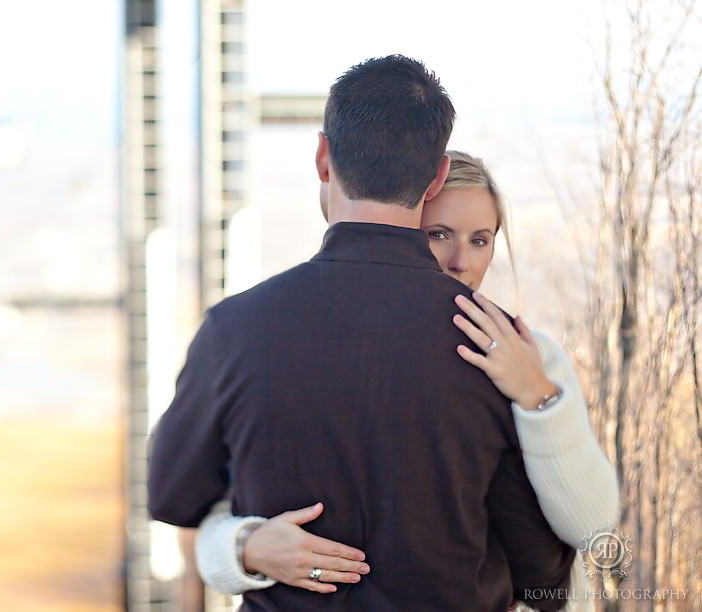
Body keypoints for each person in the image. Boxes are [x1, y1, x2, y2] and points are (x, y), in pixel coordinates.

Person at [148, 55, 575, 611]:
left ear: (324, 157)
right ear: (437, 176)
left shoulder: (236, 330)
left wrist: (248, 544)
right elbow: (543, 577)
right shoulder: (496, 346)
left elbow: (172, 496)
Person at [193, 151, 619, 611]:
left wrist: (539, 397)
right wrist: (246, 548)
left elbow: (592, 527)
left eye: (480, 240)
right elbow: (214, 513)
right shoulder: (299, 351)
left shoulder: (533, 357)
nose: (460, 262)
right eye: (438, 235)